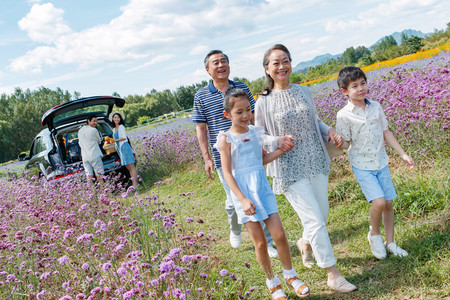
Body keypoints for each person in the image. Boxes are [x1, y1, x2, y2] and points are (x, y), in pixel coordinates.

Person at [255, 44, 357, 293]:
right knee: (314, 219)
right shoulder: (263, 102)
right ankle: (332, 273)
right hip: (289, 166)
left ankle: (304, 242)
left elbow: (315, 120)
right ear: (267, 69)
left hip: (316, 159)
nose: (282, 66)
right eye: (276, 62)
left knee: (320, 216)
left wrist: (329, 131)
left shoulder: (304, 91)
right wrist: (276, 142)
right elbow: (260, 136)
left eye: (286, 60)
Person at [216, 88, 310, 299]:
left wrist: (280, 151)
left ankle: (290, 275)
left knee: (279, 235)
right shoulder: (226, 139)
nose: (245, 115)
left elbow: (262, 160)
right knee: (260, 243)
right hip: (243, 195)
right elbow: (228, 173)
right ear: (227, 114)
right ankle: (272, 282)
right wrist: (242, 199)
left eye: (248, 110)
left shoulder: (255, 132)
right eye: (239, 112)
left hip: (262, 190)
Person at [192, 50, 277, 257]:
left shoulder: (241, 87)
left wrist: (262, 142)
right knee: (234, 199)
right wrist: (206, 158)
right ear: (207, 70)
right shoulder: (201, 95)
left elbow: (254, 116)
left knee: (256, 194)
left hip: (249, 149)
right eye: (216, 63)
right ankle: (235, 228)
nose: (221, 65)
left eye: (224, 61)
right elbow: (201, 128)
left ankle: (268, 242)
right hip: (225, 153)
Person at [335, 66, 414, 259]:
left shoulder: (376, 107)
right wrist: (339, 141)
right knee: (378, 202)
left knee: (388, 203)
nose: (361, 88)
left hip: (381, 162)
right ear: (344, 91)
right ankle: (375, 235)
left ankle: (391, 242)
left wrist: (402, 154)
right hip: (362, 165)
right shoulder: (343, 115)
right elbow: (345, 144)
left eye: (363, 83)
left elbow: (386, 132)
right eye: (355, 86)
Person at [109, 111, 139, 188]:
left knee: (131, 166)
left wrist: (114, 141)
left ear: (120, 119)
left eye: (118, 117)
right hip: (120, 149)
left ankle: (136, 184)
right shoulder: (114, 129)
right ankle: (134, 184)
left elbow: (124, 137)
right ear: (112, 119)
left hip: (125, 147)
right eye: (115, 117)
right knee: (128, 167)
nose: (116, 119)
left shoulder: (121, 126)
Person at [78, 115, 104, 184]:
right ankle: (104, 192)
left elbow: (80, 143)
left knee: (89, 178)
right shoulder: (93, 130)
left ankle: (91, 193)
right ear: (88, 121)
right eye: (94, 121)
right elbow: (99, 141)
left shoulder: (80, 131)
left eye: (96, 121)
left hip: (85, 157)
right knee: (100, 176)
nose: (95, 123)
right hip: (94, 155)